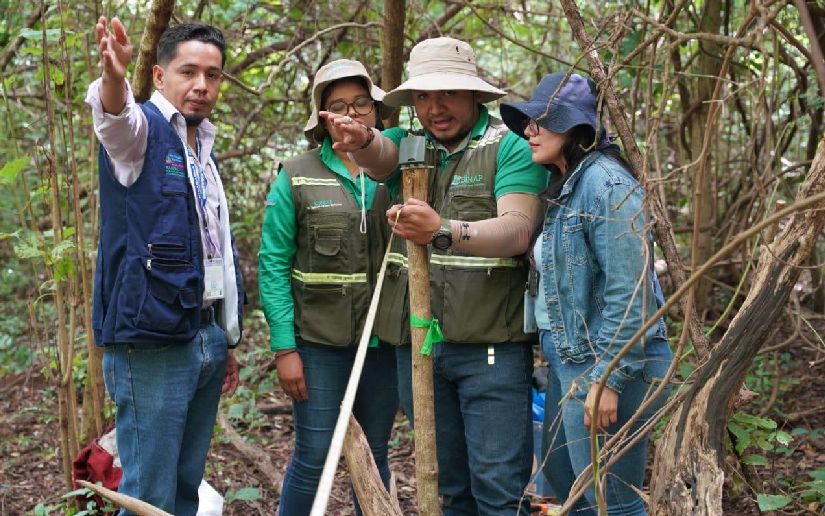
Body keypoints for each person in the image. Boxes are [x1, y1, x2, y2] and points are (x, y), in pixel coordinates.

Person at [325, 38, 549, 516]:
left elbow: (517, 231)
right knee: (450, 487)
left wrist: (442, 230)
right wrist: (362, 140)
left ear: (474, 95)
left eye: (447, 93)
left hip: (491, 347)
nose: (434, 107)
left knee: (498, 490)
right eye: (423, 96)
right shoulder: (415, 144)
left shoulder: (508, 146)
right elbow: (382, 155)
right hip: (422, 346)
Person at [86, 17, 244, 515]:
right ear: (158, 76)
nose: (201, 86)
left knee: (183, 489)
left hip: (204, 337)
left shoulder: (204, 150)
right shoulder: (141, 134)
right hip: (151, 345)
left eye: (213, 75)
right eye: (188, 71)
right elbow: (115, 117)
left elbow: (211, 251)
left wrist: (224, 335)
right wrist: (113, 75)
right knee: (148, 495)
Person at [499, 72, 673, 515]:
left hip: (607, 364)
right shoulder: (565, 184)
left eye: (542, 120)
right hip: (573, 361)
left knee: (612, 501)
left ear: (576, 128)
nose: (529, 131)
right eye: (528, 121)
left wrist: (608, 380)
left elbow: (631, 293)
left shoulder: (606, 186)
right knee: (571, 491)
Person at [259, 59, 402, 516]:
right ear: (320, 116)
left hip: (384, 343)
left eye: (361, 103)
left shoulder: (397, 166)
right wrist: (285, 349)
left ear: (376, 110)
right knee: (314, 457)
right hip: (318, 345)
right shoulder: (296, 173)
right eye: (337, 104)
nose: (351, 113)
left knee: (373, 455)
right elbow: (274, 262)